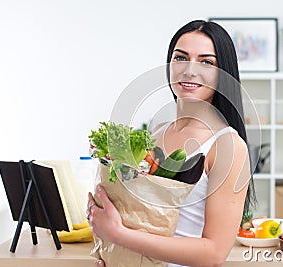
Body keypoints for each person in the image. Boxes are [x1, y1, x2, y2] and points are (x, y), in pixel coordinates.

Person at [87, 19, 255, 266]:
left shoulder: (227, 145)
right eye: (181, 58)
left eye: (206, 62)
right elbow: (141, 217)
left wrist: (118, 235)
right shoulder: (158, 132)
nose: (190, 70)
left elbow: (214, 253)